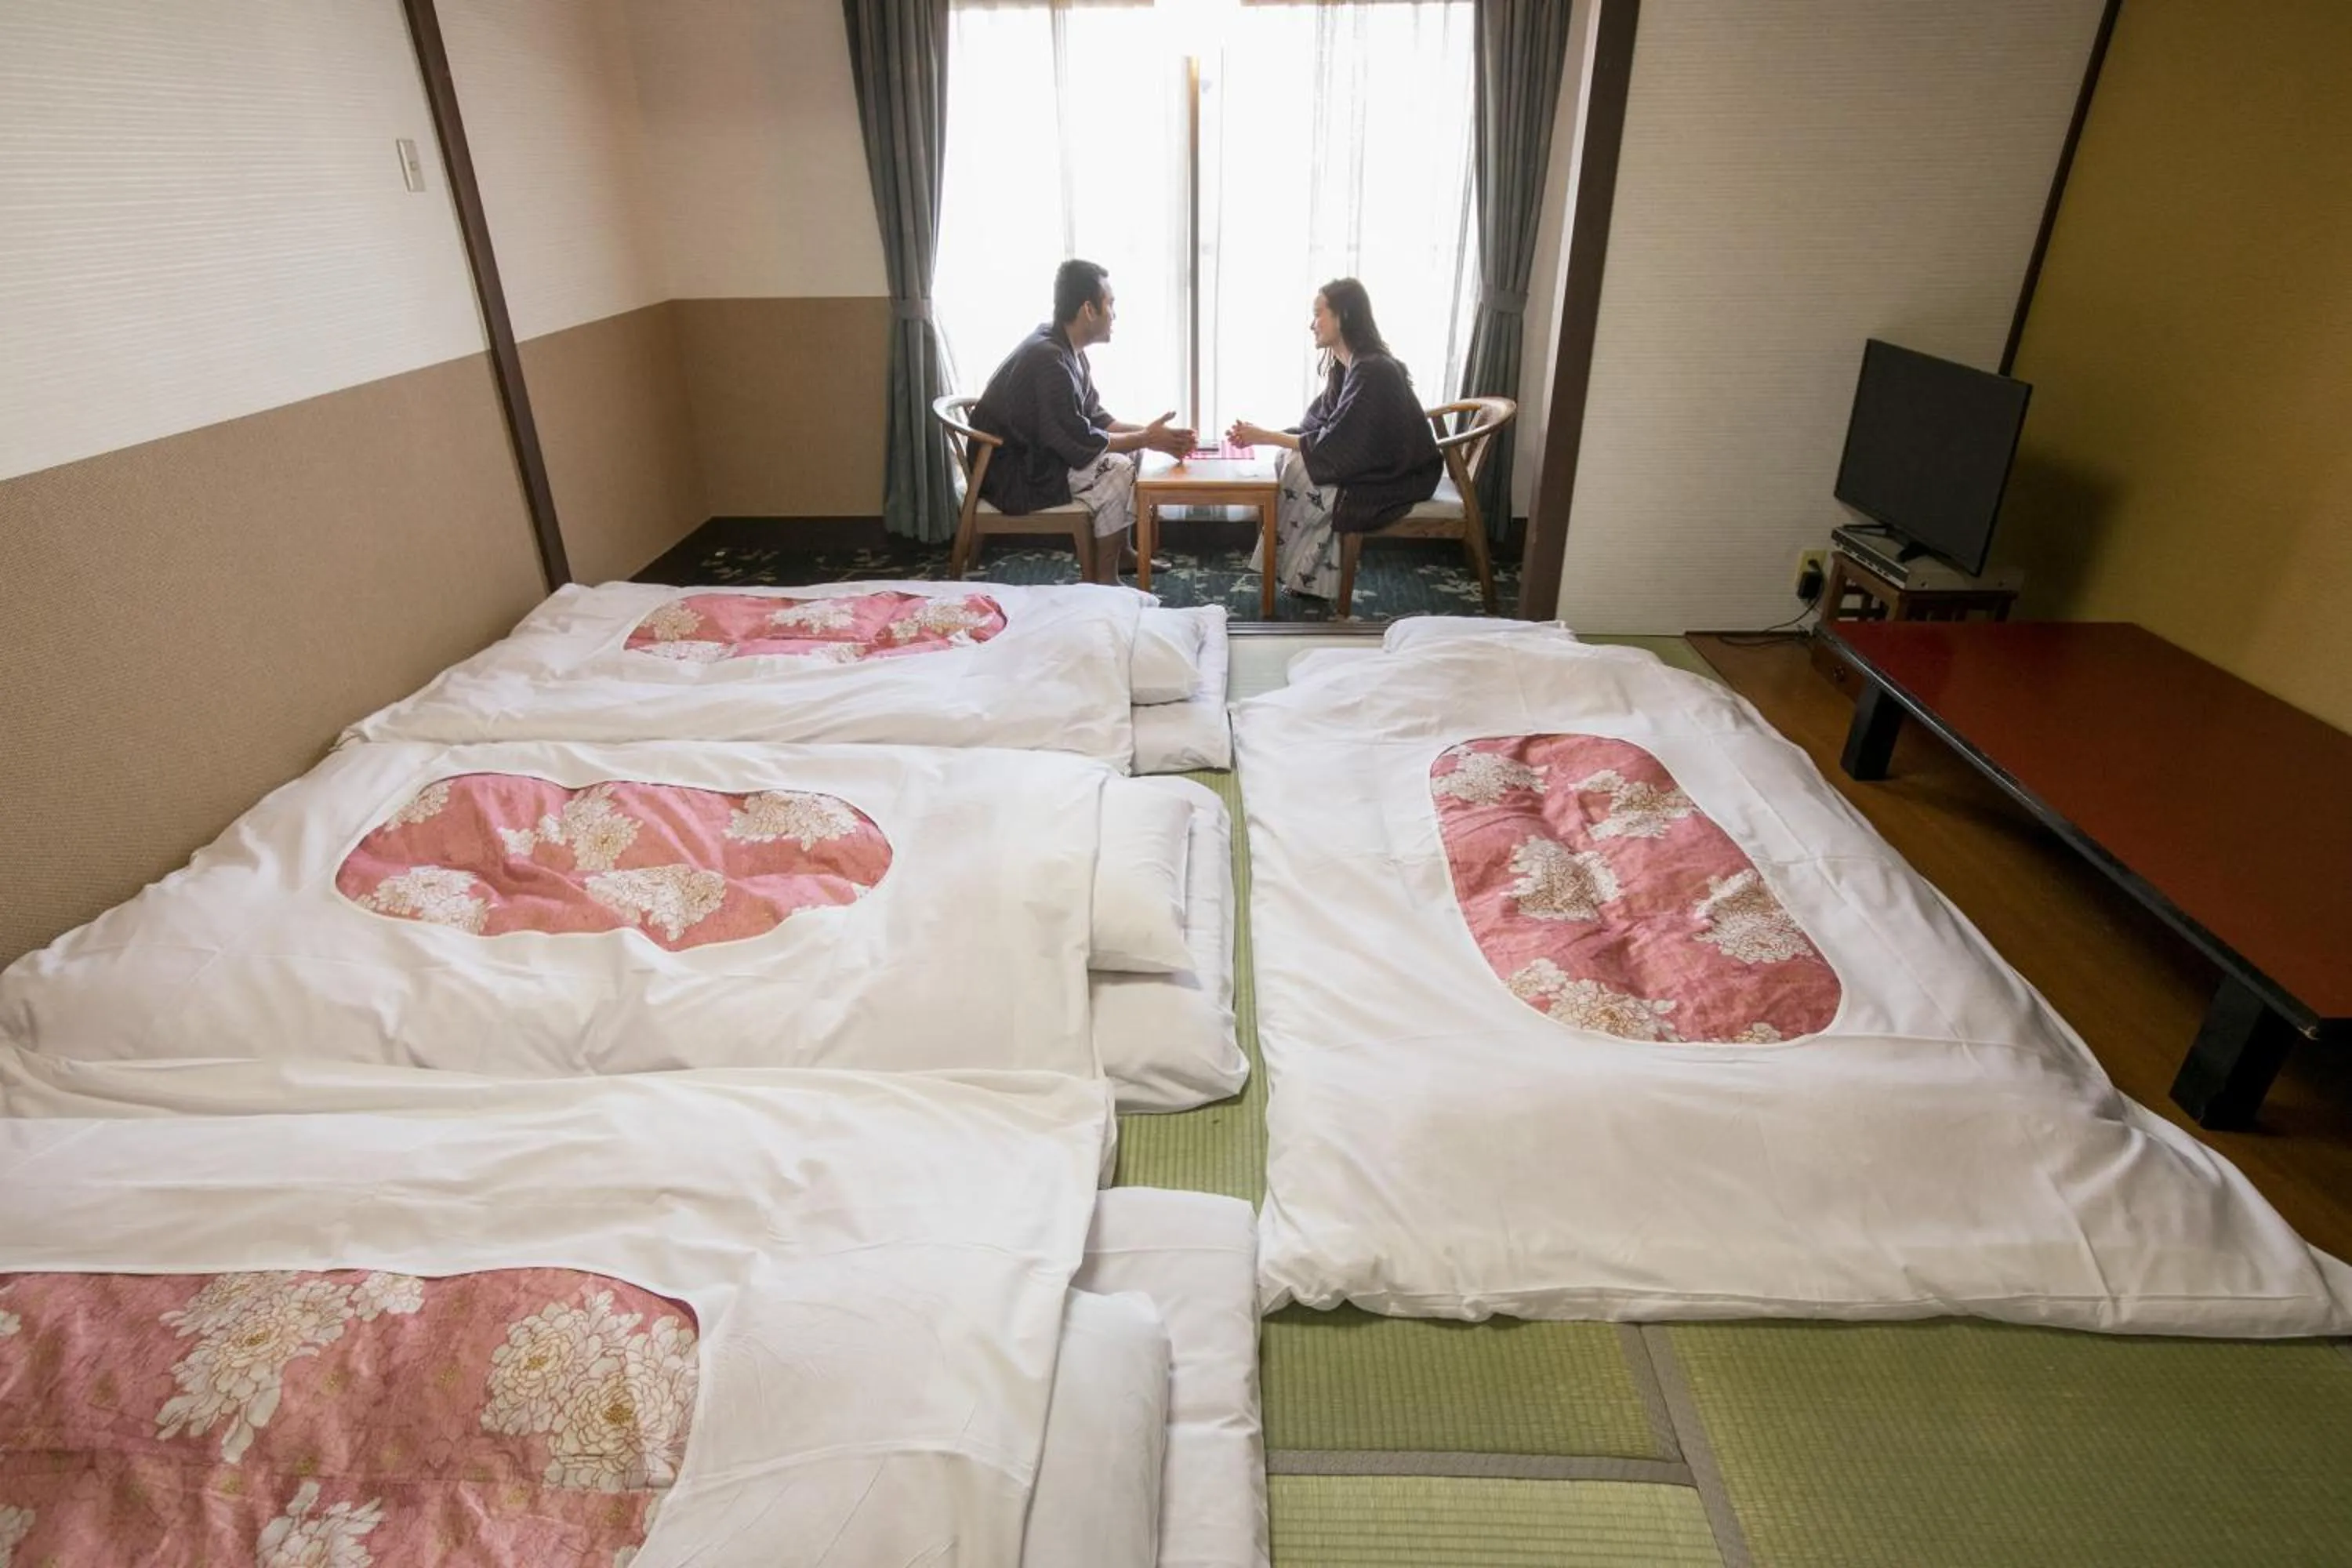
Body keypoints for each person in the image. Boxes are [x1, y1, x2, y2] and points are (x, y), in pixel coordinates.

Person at [973, 260, 1194, 583]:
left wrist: (1155, 435)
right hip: (1016, 474)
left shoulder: (1067, 348)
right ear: (1089, 309)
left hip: (1037, 455)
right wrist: (1147, 437)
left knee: (1131, 451)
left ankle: (1123, 554)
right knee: (1117, 469)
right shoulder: (1049, 360)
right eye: (1111, 304)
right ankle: (1105, 579)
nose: (1114, 315)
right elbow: (1078, 440)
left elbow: (1097, 418)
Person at [1227, 278, 1443, 601]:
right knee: (1291, 460)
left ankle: (1304, 577)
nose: (1312, 325)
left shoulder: (1372, 369)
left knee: (1303, 470)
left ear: (1343, 314)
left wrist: (1266, 436)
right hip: (1378, 463)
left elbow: (1337, 445)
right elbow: (1317, 426)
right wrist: (1262, 436)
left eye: (1318, 314)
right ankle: (1308, 578)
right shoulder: (1347, 367)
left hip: (1401, 474)